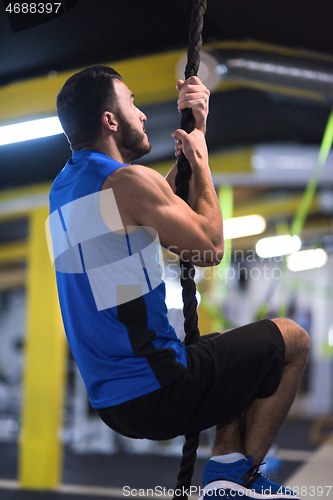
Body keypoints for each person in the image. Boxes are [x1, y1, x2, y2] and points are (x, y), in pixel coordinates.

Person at [48, 65, 309, 499]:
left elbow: (152, 215)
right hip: (158, 390)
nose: (144, 115)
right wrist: (201, 159)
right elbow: (209, 246)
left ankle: (226, 473)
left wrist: (194, 138)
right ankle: (241, 478)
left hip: (114, 405)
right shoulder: (128, 182)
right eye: (132, 103)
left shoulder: (67, 190)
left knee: (235, 350)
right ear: (110, 121)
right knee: (292, 340)